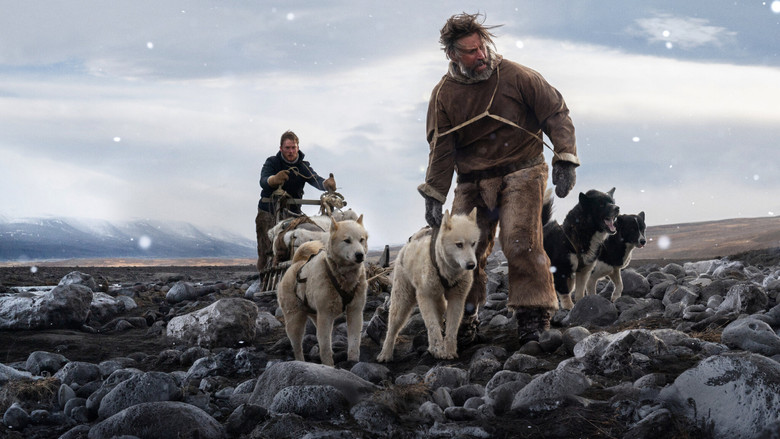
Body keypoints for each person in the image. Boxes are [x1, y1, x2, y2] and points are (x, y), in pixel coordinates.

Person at [418, 13, 580, 345]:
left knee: (521, 241)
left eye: (482, 48)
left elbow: (556, 112)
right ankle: (463, 314)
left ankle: (533, 315)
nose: (480, 56)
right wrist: (434, 194)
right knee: (461, 249)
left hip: (523, 169)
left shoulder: (519, 76)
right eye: (470, 51)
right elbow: (441, 147)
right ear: (452, 55)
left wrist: (565, 158)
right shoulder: (443, 95)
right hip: (472, 180)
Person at [255, 130, 336, 271]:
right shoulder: (272, 162)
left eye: (293, 148)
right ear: (281, 148)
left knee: (292, 246)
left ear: (298, 148)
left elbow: (315, 179)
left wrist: (326, 184)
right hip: (269, 211)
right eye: (287, 148)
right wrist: (273, 180)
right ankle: (263, 278)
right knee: (267, 249)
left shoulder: (303, 167)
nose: (291, 151)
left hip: (293, 213)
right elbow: (263, 180)